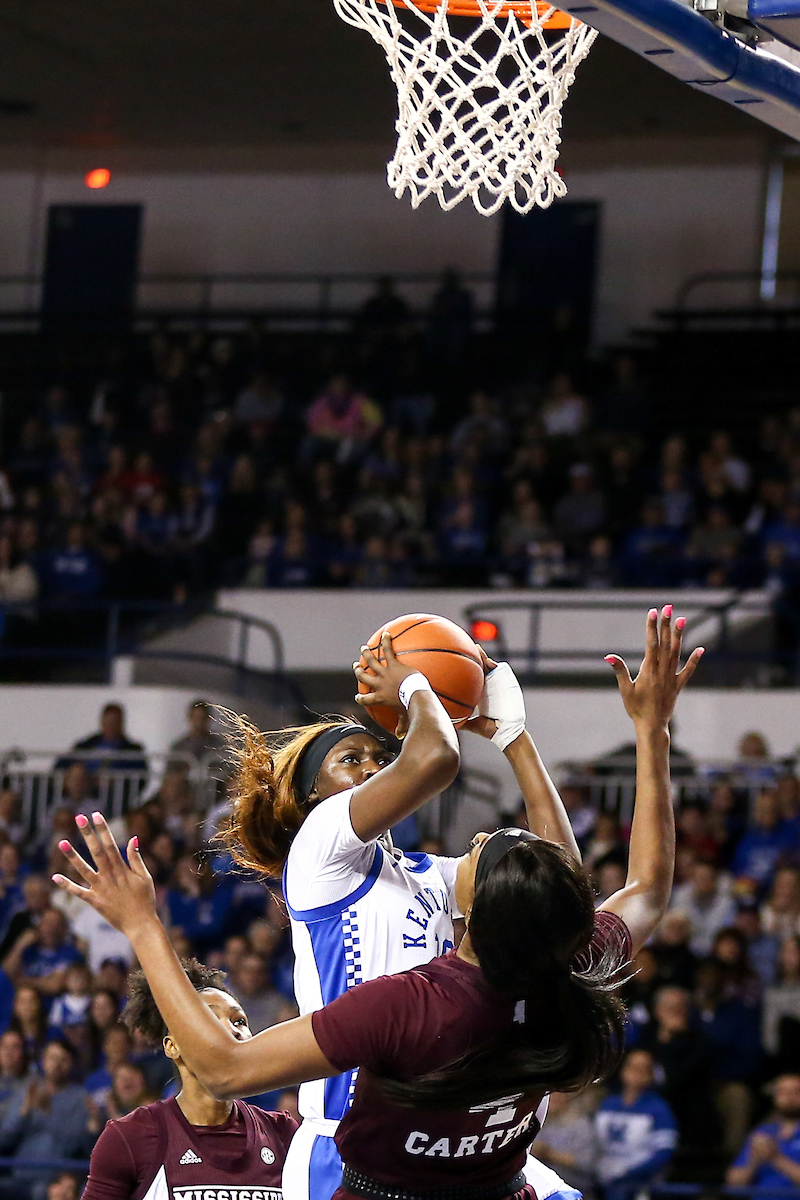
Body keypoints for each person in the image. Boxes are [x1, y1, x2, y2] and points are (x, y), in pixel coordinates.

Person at [54, 606, 702, 1200]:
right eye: (350, 759)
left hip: (465, 1118)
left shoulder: (429, 871)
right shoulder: (319, 849)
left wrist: (513, 736)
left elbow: (547, 884)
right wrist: (416, 684)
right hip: (353, 1136)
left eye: (375, 754)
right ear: (311, 800)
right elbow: (434, 759)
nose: (371, 767)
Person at [81, 958, 298, 1200]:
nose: (233, 1029)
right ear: (173, 1046)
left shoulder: (283, 1133)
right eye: (210, 1019)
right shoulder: (130, 1137)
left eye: (239, 1021)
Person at [595, 1049, 677, 1200]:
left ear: (652, 1074)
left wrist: (628, 1173)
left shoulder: (659, 1109)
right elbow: (593, 1141)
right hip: (600, 1177)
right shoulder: (608, 1104)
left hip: (638, 1183)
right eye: (632, 1066)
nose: (636, 1072)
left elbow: (664, 1152)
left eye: (643, 1068)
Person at [727, 1073, 800, 1188]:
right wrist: (754, 1160)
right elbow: (734, 1184)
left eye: (796, 1091)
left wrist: (775, 1158)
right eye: (782, 1092)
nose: (789, 1097)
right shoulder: (762, 1132)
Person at [58, 704, 147, 777]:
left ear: (121, 723)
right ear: (102, 722)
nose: (112, 725)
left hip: (112, 791)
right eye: (109, 721)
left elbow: (141, 775)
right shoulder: (85, 745)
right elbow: (61, 765)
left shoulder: (133, 750)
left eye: (115, 722)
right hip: (83, 785)